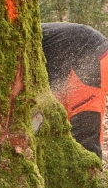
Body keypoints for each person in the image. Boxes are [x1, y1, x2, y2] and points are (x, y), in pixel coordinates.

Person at [42, 22, 108, 158]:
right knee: (61, 123)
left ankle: (89, 173)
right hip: (73, 62)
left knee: (84, 129)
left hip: (91, 56)